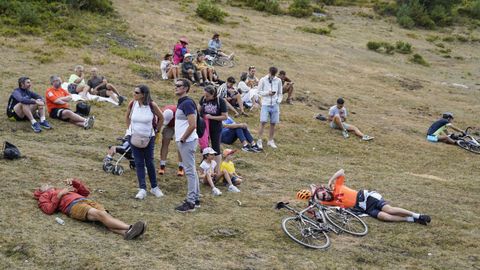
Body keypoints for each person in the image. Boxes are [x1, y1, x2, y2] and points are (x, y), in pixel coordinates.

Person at [33, 178, 147, 240]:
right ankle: (130, 227)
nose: (47, 184)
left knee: (105, 218)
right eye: (44, 185)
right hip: (72, 206)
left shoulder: (61, 188)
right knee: (100, 215)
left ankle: (125, 233)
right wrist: (59, 195)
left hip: (85, 200)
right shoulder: (44, 196)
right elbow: (48, 210)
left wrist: (75, 183)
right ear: (41, 190)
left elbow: (85, 193)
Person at [311, 169, 431, 225]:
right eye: (323, 198)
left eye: (324, 194)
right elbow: (314, 202)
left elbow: (341, 171)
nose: (325, 197)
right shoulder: (329, 202)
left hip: (366, 197)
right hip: (363, 208)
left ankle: (418, 215)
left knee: (390, 210)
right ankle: (411, 219)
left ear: (325, 190)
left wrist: (330, 180)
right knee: (386, 217)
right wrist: (313, 193)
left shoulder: (336, 186)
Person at [126, 85, 164, 200]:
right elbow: (127, 117)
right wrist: (130, 130)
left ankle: (154, 187)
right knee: (138, 162)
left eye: (137, 92)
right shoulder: (132, 104)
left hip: (149, 137)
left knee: (149, 162)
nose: (134, 94)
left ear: (143, 94)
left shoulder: (152, 105)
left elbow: (161, 118)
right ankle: (142, 188)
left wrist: (157, 130)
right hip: (134, 137)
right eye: (134, 92)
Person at [174, 79, 200, 212]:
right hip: (186, 141)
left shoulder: (187, 103)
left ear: (186, 88)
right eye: (175, 85)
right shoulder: (183, 103)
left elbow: (193, 124)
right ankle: (195, 198)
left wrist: (183, 138)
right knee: (192, 170)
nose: (176, 87)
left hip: (187, 141)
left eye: (179, 86)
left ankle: (190, 202)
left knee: (189, 171)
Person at [199, 85, 228, 171]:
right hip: (204, 127)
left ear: (213, 95)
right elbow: (198, 110)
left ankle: (217, 170)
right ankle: (204, 169)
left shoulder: (220, 101)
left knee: (216, 148)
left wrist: (211, 117)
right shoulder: (203, 99)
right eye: (204, 95)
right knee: (205, 147)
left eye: (207, 96)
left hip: (216, 127)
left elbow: (225, 116)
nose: (205, 97)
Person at [257, 67, 283, 149]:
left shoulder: (278, 80)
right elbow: (259, 92)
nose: (272, 76)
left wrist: (278, 101)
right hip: (265, 104)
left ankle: (270, 140)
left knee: (273, 123)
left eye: (274, 74)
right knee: (263, 122)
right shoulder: (263, 80)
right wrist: (268, 93)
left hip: (275, 104)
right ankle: (259, 140)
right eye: (272, 74)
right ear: (269, 72)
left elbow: (280, 93)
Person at [159, 104, 184, 176]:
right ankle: (162, 165)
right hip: (168, 126)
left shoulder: (179, 112)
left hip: (179, 125)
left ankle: (181, 167)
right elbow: (160, 122)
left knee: (180, 145)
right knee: (165, 143)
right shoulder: (162, 112)